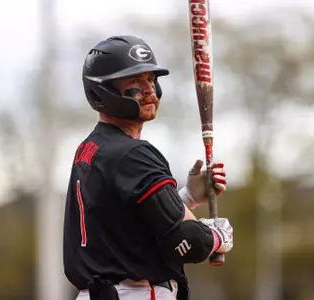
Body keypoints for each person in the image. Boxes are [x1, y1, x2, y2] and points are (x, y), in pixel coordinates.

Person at [63, 35, 234, 300]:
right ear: (101, 91)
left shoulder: (91, 149)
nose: (148, 90)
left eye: (150, 80)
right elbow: (186, 242)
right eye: (134, 81)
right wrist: (216, 235)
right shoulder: (134, 154)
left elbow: (130, 229)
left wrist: (187, 198)